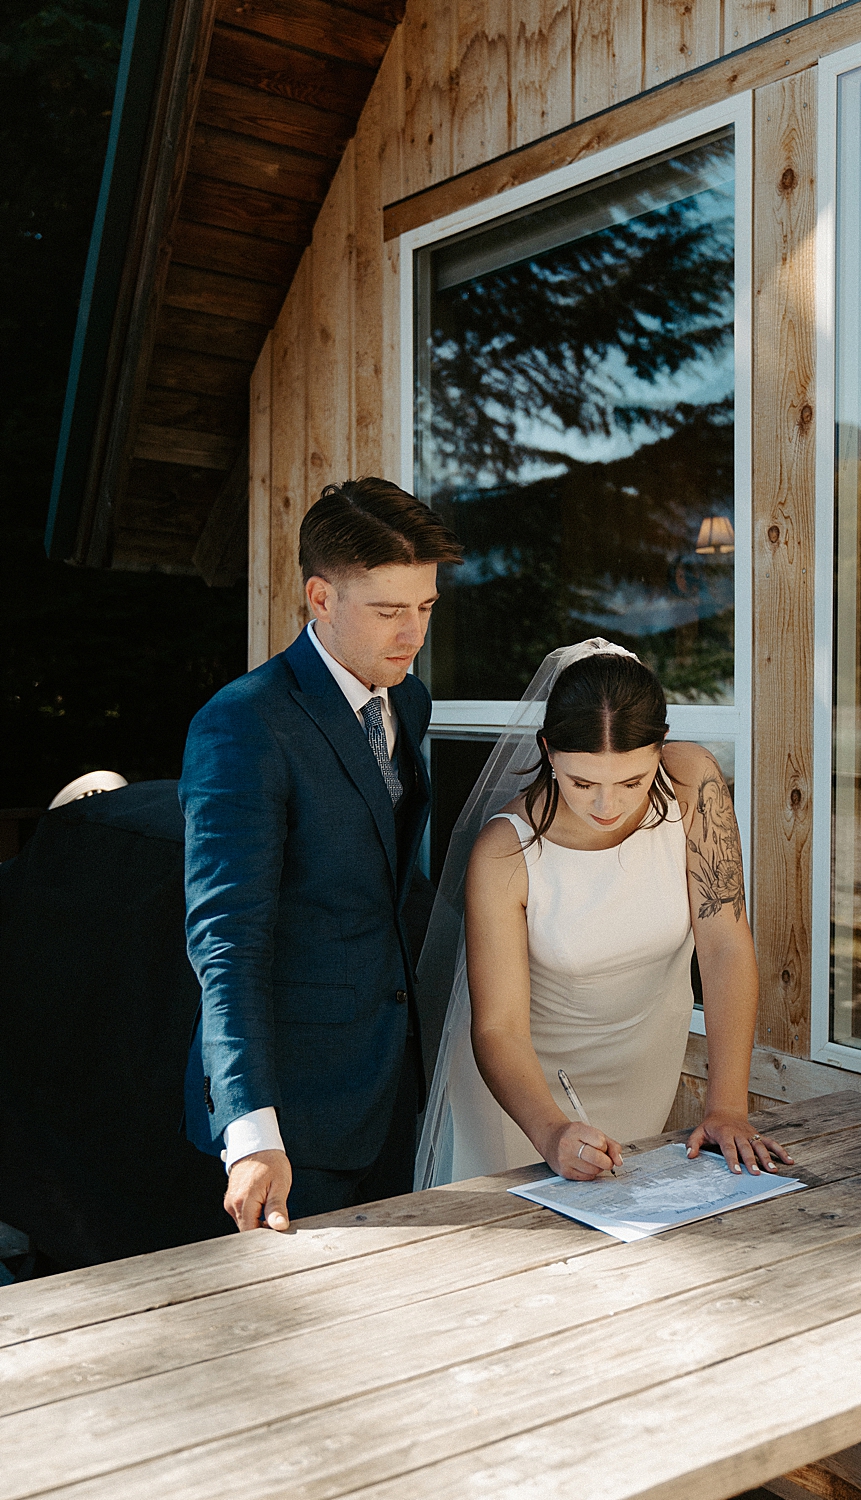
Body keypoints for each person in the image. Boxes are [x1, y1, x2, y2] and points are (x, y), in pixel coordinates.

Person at [180, 478, 463, 1230]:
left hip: (396, 1080)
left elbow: (385, 872)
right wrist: (249, 1131)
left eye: (426, 607)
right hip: (293, 1110)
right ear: (320, 597)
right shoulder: (242, 725)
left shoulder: (408, 700)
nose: (414, 634)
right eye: (389, 611)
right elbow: (226, 946)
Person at [415, 640, 792, 1188]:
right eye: (582, 783)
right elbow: (497, 1028)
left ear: (660, 748)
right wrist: (550, 1133)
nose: (607, 806)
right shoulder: (504, 853)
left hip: (644, 1075)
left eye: (633, 783)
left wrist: (727, 1104)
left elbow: (725, 945)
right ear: (549, 752)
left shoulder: (692, 784)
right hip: (527, 1101)